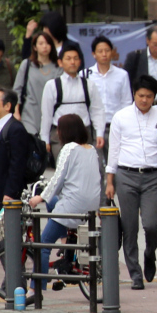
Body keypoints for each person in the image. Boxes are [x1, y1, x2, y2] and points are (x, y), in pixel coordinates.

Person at [105, 75, 157, 290]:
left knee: (152, 225)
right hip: (126, 176)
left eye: (149, 96)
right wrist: (110, 181)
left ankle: (150, 253)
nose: (144, 100)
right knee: (130, 227)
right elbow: (113, 150)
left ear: (155, 97)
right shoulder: (121, 117)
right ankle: (135, 274)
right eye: (140, 95)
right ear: (134, 94)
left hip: (153, 176)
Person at [27, 114, 101, 294]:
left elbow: (58, 178)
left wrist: (40, 197)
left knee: (43, 245)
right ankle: (65, 239)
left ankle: (36, 290)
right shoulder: (91, 150)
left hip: (72, 206)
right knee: (54, 201)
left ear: (64, 131)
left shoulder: (68, 148)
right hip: (90, 206)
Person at [0, 88, 29, 254]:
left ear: (8, 105)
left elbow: (18, 164)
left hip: (4, 192)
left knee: (6, 237)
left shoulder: (15, 129)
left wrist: (10, 192)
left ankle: (16, 278)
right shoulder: (1, 126)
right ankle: (12, 278)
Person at [40, 46, 106, 162]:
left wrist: (99, 133)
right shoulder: (52, 85)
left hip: (84, 134)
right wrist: (45, 139)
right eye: (68, 58)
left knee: (85, 170)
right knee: (64, 170)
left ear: (80, 62)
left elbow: (97, 110)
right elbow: (46, 115)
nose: (72, 62)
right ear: (60, 62)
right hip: (59, 134)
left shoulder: (89, 85)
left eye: (76, 58)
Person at [80, 35, 132, 158]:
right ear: (94, 54)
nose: (104, 54)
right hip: (93, 127)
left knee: (116, 162)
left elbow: (126, 102)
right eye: (100, 51)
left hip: (115, 126)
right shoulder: (85, 75)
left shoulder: (122, 75)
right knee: (94, 163)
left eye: (107, 50)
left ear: (112, 52)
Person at [13, 31, 62, 136]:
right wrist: (16, 112)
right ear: (35, 47)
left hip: (53, 113)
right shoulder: (27, 65)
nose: (44, 46)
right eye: (41, 43)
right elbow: (17, 89)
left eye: (47, 43)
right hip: (30, 113)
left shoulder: (58, 67)